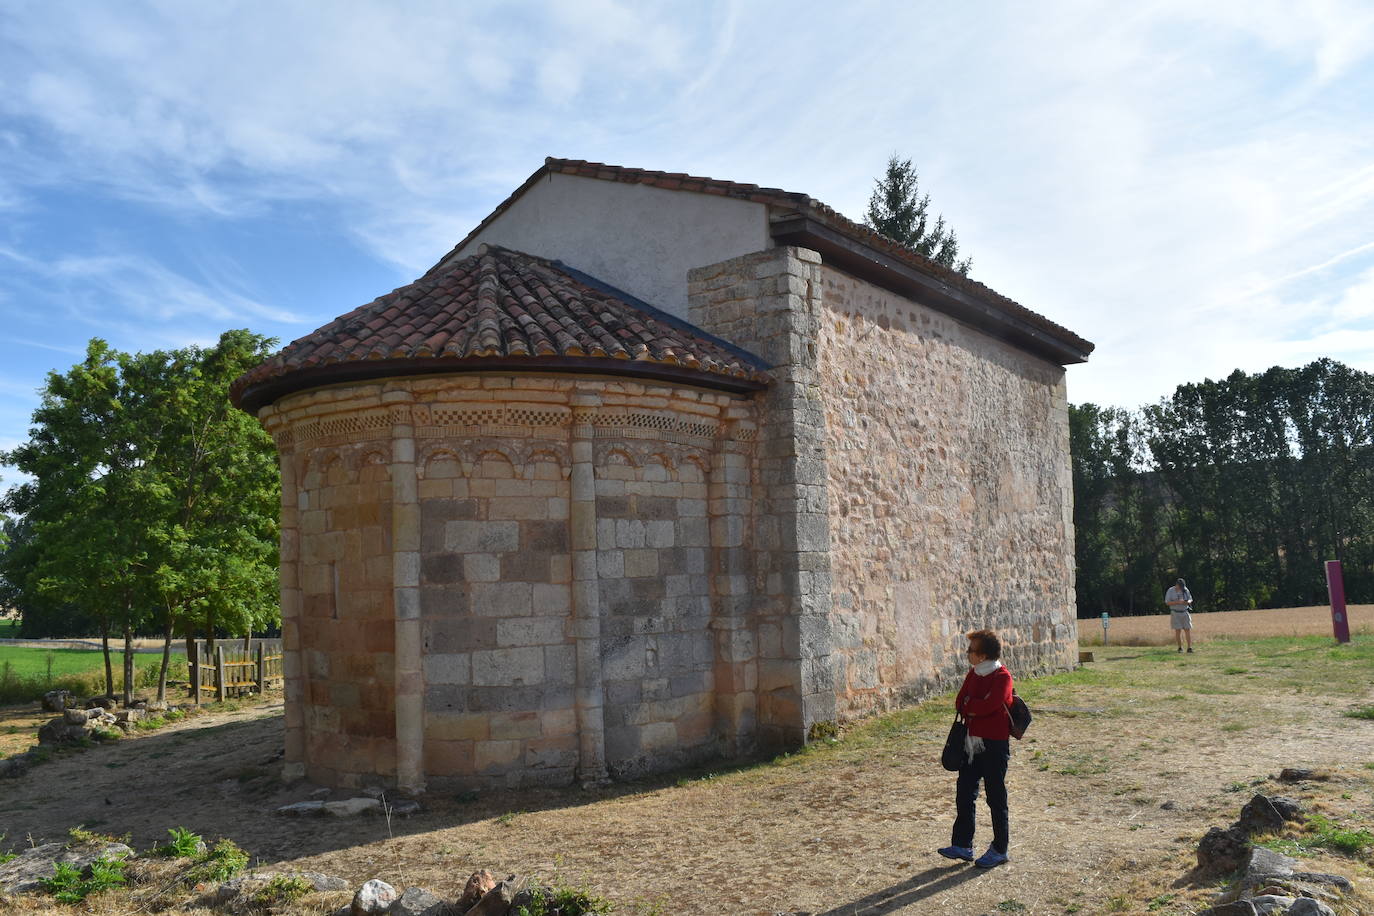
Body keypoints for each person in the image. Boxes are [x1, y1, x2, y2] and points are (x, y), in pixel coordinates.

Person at [938, 629, 1013, 869]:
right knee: (964, 792)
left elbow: (991, 705)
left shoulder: (1003, 677)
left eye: (970, 650)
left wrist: (973, 706)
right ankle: (963, 844)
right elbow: (960, 702)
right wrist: (973, 706)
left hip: (994, 746)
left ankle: (1000, 848)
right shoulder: (974, 674)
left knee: (996, 797)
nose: (967, 654)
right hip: (971, 745)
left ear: (982, 655)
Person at [1165, 577, 1194, 652]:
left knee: (1187, 629)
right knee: (1178, 630)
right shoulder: (1170, 591)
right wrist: (1177, 602)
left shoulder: (1185, 590)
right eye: (1180, 586)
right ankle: (1180, 647)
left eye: (1182, 586)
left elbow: (1190, 599)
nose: (1181, 588)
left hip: (1185, 612)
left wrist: (1188, 602)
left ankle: (1189, 648)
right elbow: (1167, 602)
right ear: (1176, 585)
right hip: (1175, 612)